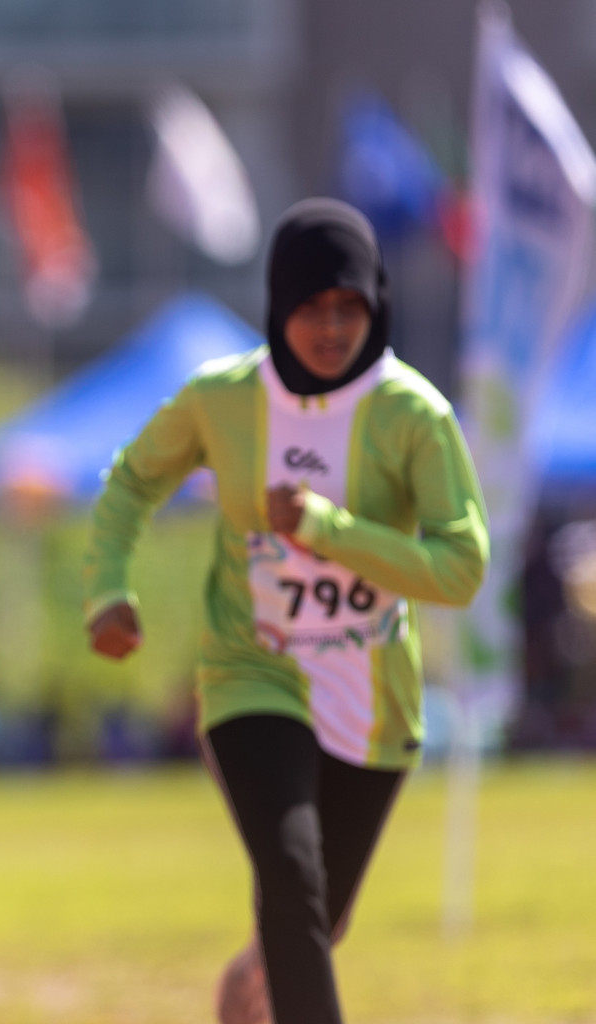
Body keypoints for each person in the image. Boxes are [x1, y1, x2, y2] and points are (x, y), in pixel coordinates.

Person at [81, 198, 488, 1024]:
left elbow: (460, 567)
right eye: (309, 306)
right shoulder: (220, 400)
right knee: (291, 878)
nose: (330, 326)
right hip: (248, 676)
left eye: (349, 306)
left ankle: (251, 988)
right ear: (276, 307)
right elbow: (130, 480)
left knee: (312, 923)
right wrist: (107, 590)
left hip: (373, 704)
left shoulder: (414, 414)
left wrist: (324, 529)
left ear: (375, 304)